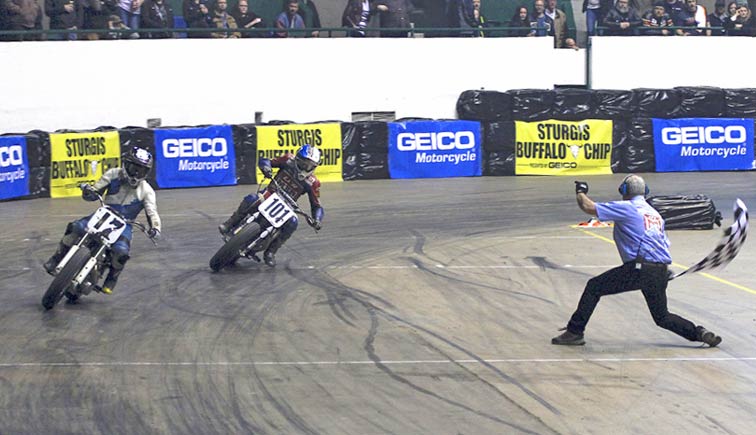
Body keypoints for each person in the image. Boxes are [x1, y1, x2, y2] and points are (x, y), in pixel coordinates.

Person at [552, 175, 722, 347]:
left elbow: (588, 207)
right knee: (662, 317)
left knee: (594, 287)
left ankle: (574, 332)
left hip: (639, 268)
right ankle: (699, 333)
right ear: (645, 191)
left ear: (624, 191)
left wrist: (581, 191)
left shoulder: (627, 207)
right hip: (659, 268)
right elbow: (663, 243)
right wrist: (661, 271)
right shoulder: (655, 214)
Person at [44, 147, 162, 296]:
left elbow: (152, 213)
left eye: (142, 170)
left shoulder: (147, 191)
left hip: (125, 225)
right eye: (134, 168)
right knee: (75, 227)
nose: (137, 173)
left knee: (121, 251)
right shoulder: (113, 174)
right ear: (126, 164)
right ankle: (57, 257)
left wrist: (155, 228)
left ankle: (111, 278)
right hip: (103, 214)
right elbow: (94, 192)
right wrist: (89, 190)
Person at [218, 144, 324, 267]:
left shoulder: (313, 183)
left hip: (287, 206)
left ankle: (271, 252)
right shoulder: (287, 160)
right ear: (297, 159)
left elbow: (316, 205)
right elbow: (265, 160)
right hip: (269, 194)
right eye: (304, 163)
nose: (306, 167)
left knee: (293, 222)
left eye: (310, 165)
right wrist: (266, 168)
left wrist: (317, 220)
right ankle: (230, 223)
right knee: (252, 198)